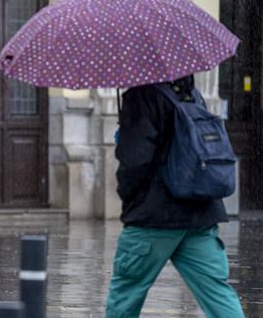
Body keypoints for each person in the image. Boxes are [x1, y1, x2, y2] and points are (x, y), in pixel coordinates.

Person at [105, 75, 245, 317]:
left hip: (153, 217)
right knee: (218, 295)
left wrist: (126, 193)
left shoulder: (141, 95)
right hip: (200, 215)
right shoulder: (192, 94)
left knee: (125, 294)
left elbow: (135, 162)